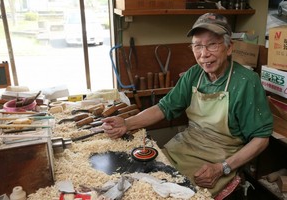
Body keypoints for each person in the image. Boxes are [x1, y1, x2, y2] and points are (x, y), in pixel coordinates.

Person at [102, 13, 273, 197]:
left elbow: (261, 139)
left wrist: (222, 168)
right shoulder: (194, 74)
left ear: (229, 47)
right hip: (184, 147)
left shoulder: (246, 82)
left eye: (212, 44)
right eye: (197, 46)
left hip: (219, 158)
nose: (204, 53)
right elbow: (163, 107)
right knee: (141, 180)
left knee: (178, 194)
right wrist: (126, 123)